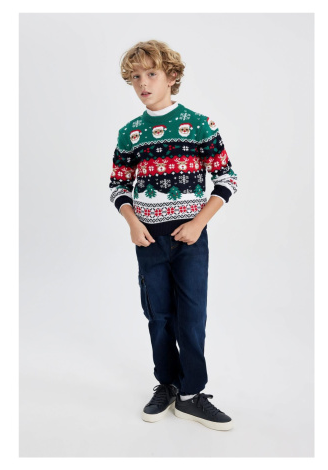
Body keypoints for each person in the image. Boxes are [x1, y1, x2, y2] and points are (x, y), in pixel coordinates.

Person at [109, 40, 238, 431]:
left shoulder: (199, 125)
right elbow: (118, 186)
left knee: (192, 315)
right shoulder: (130, 134)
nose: (143, 83)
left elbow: (227, 179)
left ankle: (191, 394)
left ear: (172, 76)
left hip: (190, 239)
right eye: (135, 77)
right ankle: (166, 383)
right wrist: (133, 222)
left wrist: (199, 223)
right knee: (158, 314)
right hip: (149, 239)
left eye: (151, 74)